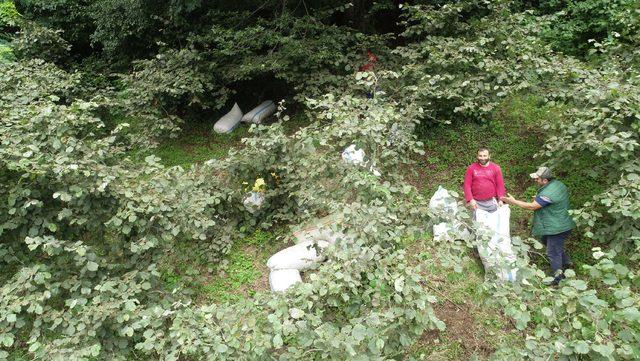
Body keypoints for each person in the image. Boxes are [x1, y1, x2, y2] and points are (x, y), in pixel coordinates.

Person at [500, 166, 576, 285]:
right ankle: (567, 263)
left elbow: (532, 206)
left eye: (537, 179)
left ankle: (558, 280)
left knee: (552, 252)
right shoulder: (557, 185)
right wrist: (540, 199)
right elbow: (555, 199)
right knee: (546, 240)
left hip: (557, 227)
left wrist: (512, 201)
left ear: (545, 181)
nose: (535, 180)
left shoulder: (548, 192)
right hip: (562, 223)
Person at [463, 147, 506, 215]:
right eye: (480, 156)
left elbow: (500, 185)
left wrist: (501, 199)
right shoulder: (471, 168)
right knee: (478, 224)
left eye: (485, 156)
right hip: (476, 203)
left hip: (492, 201)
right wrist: (470, 199)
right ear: (477, 156)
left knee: (492, 223)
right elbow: (467, 185)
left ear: (489, 156)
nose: (482, 158)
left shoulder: (496, 168)